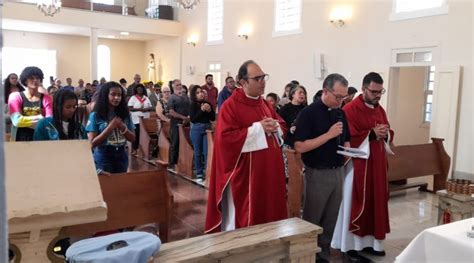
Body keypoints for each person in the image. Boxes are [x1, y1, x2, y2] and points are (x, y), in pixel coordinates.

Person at [206, 60, 287, 233]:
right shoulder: (230, 106)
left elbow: (281, 123)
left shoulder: (264, 104)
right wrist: (258, 128)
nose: (263, 82)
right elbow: (225, 139)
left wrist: (276, 126)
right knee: (250, 217)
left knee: (270, 214)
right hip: (247, 175)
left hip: (269, 173)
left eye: (264, 77)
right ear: (243, 82)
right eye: (257, 78)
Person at [331, 72, 394, 260]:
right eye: (374, 91)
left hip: (377, 166)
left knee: (375, 203)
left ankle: (371, 243)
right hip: (358, 166)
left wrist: (386, 134)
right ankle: (349, 245)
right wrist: (371, 134)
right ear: (364, 88)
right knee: (354, 204)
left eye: (380, 91)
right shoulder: (350, 109)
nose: (377, 95)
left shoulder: (380, 109)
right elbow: (347, 137)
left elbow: (388, 129)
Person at [293, 73, 351, 263]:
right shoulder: (308, 113)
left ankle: (324, 255)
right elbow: (299, 146)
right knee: (313, 218)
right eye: (338, 97)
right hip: (317, 173)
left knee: (331, 218)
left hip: (338, 171)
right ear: (326, 91)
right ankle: (308, 256)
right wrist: (328, 135)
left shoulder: (340, 112)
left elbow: (346, 139)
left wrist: (349, 149)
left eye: (344, 97)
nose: (341, 101)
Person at [86, 81, 135, 174]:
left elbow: (132, 138)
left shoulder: (125, 114)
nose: (117, 98)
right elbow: (92, 143)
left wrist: (122, 127)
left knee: (120, 185)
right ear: (105, 95)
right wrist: (110, 127)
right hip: (104, 154)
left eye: (119, 95)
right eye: (113, 94)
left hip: (121, 153)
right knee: (106, 185)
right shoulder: (96, 115)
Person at [8, 66, 53, 141]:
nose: (35, 80)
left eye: (38, 78)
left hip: (41, 138)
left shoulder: (47, 98)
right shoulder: (15, 96)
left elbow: (50, 122)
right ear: (25, 80)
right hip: (20, 139)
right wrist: (41, 118)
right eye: (31, 78)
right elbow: (17, 121)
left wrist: (24, 120)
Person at [189, 85, 215, 181]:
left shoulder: (207, 103)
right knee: (198, 152)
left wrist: (209, 110)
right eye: (198, 92)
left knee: (207, 152)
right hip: (197, 129)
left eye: (201, 92)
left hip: (207, 128)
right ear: (194, 95)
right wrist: (202, 110)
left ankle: (208, 172)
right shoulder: (193, 104)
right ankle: (199, 173)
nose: (201, 94)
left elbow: (213, 118)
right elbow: (193, 119)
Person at [167, 79, 190, 171]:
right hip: (175, 124)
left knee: (185, 143)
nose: (179, 86)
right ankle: (172, 164)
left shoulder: (186, 97)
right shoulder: (172, 97)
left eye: (180, 84)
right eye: (177, 85)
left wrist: (188, 117)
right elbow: (171, 112)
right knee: (175, 143)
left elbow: (190, 108)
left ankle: (183, 162)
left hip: (186, 124)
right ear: (173, 87)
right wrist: (183, 118)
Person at [128, 84, 153, 155]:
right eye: (138, 89)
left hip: (145, 118)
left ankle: (144, 150)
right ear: (136, 90)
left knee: (144, 134)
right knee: (137, 134)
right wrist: (139, 109)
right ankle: (135, 149)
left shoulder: (146, 98)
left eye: (141, 89)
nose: (140, 90)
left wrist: (146, 109)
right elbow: (129, 108)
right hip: (136, 120)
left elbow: (151, 107)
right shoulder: (133, 98)